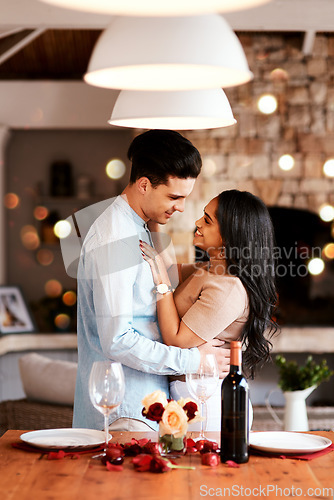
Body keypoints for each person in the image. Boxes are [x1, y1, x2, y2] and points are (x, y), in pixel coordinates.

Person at [72, 129, 230, 432]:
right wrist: (193, 361)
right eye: (174, 196)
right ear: (144, 185)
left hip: (140, 408)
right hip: (124, 414)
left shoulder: (139, 227)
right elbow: (117, 340)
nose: (181, 207)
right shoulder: (115, 238)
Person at [140, 189, 278, 430]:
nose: (197, 223)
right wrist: (154, 220)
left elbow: (176, 340)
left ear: (228, 236)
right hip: (190, 394)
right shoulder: (211, 269)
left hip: (206, 403)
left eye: (207, 220)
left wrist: (160, 279)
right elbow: (170, 269)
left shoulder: (227, 287)